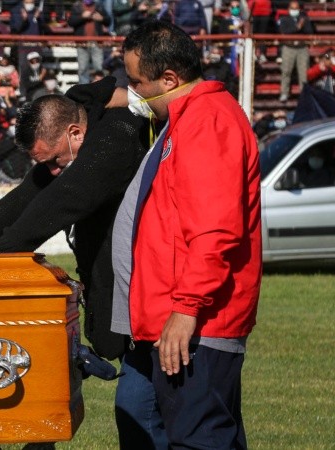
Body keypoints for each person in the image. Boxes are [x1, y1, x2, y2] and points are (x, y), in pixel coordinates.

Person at [111, 21, 261, 449]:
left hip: (200, 322)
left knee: (200, 440)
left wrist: (186, 307)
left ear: (170, 79)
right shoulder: (188, 119)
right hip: (185, 318)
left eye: (138, 83)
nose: (134, 92)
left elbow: (215, 230)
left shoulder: (208, 121)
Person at [0, 80, 149, 361]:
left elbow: (67, 196)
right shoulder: (79, 132)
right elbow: (27, 193)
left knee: (141, 391)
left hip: (143, 289)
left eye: (54, 160)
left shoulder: (117, 134)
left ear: (75, 133)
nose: (52, 171)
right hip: (118, 285)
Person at [278, 1, 314, 103]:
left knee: (303, 73)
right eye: (293, 8)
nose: (295, 10)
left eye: (296, 8)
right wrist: (297, 27)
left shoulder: (304, 19)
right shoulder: (284, 19)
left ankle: (304, 94)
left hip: (302, 48)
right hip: (288, 47)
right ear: (289, 9)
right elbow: (284, 31)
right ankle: (284, 93)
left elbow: (309, 32)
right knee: (286, 71)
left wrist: (301, 27)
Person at [68, 0, 112, 85]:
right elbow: (71, 22)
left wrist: (101, 18)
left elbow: (109, 21)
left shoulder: (99, 6)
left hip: (97, 42)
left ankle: (100, 88)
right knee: (83, 68)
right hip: (82, 43)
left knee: (99, 68)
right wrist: (82, 17)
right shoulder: (77, 7)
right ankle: (83, 89)